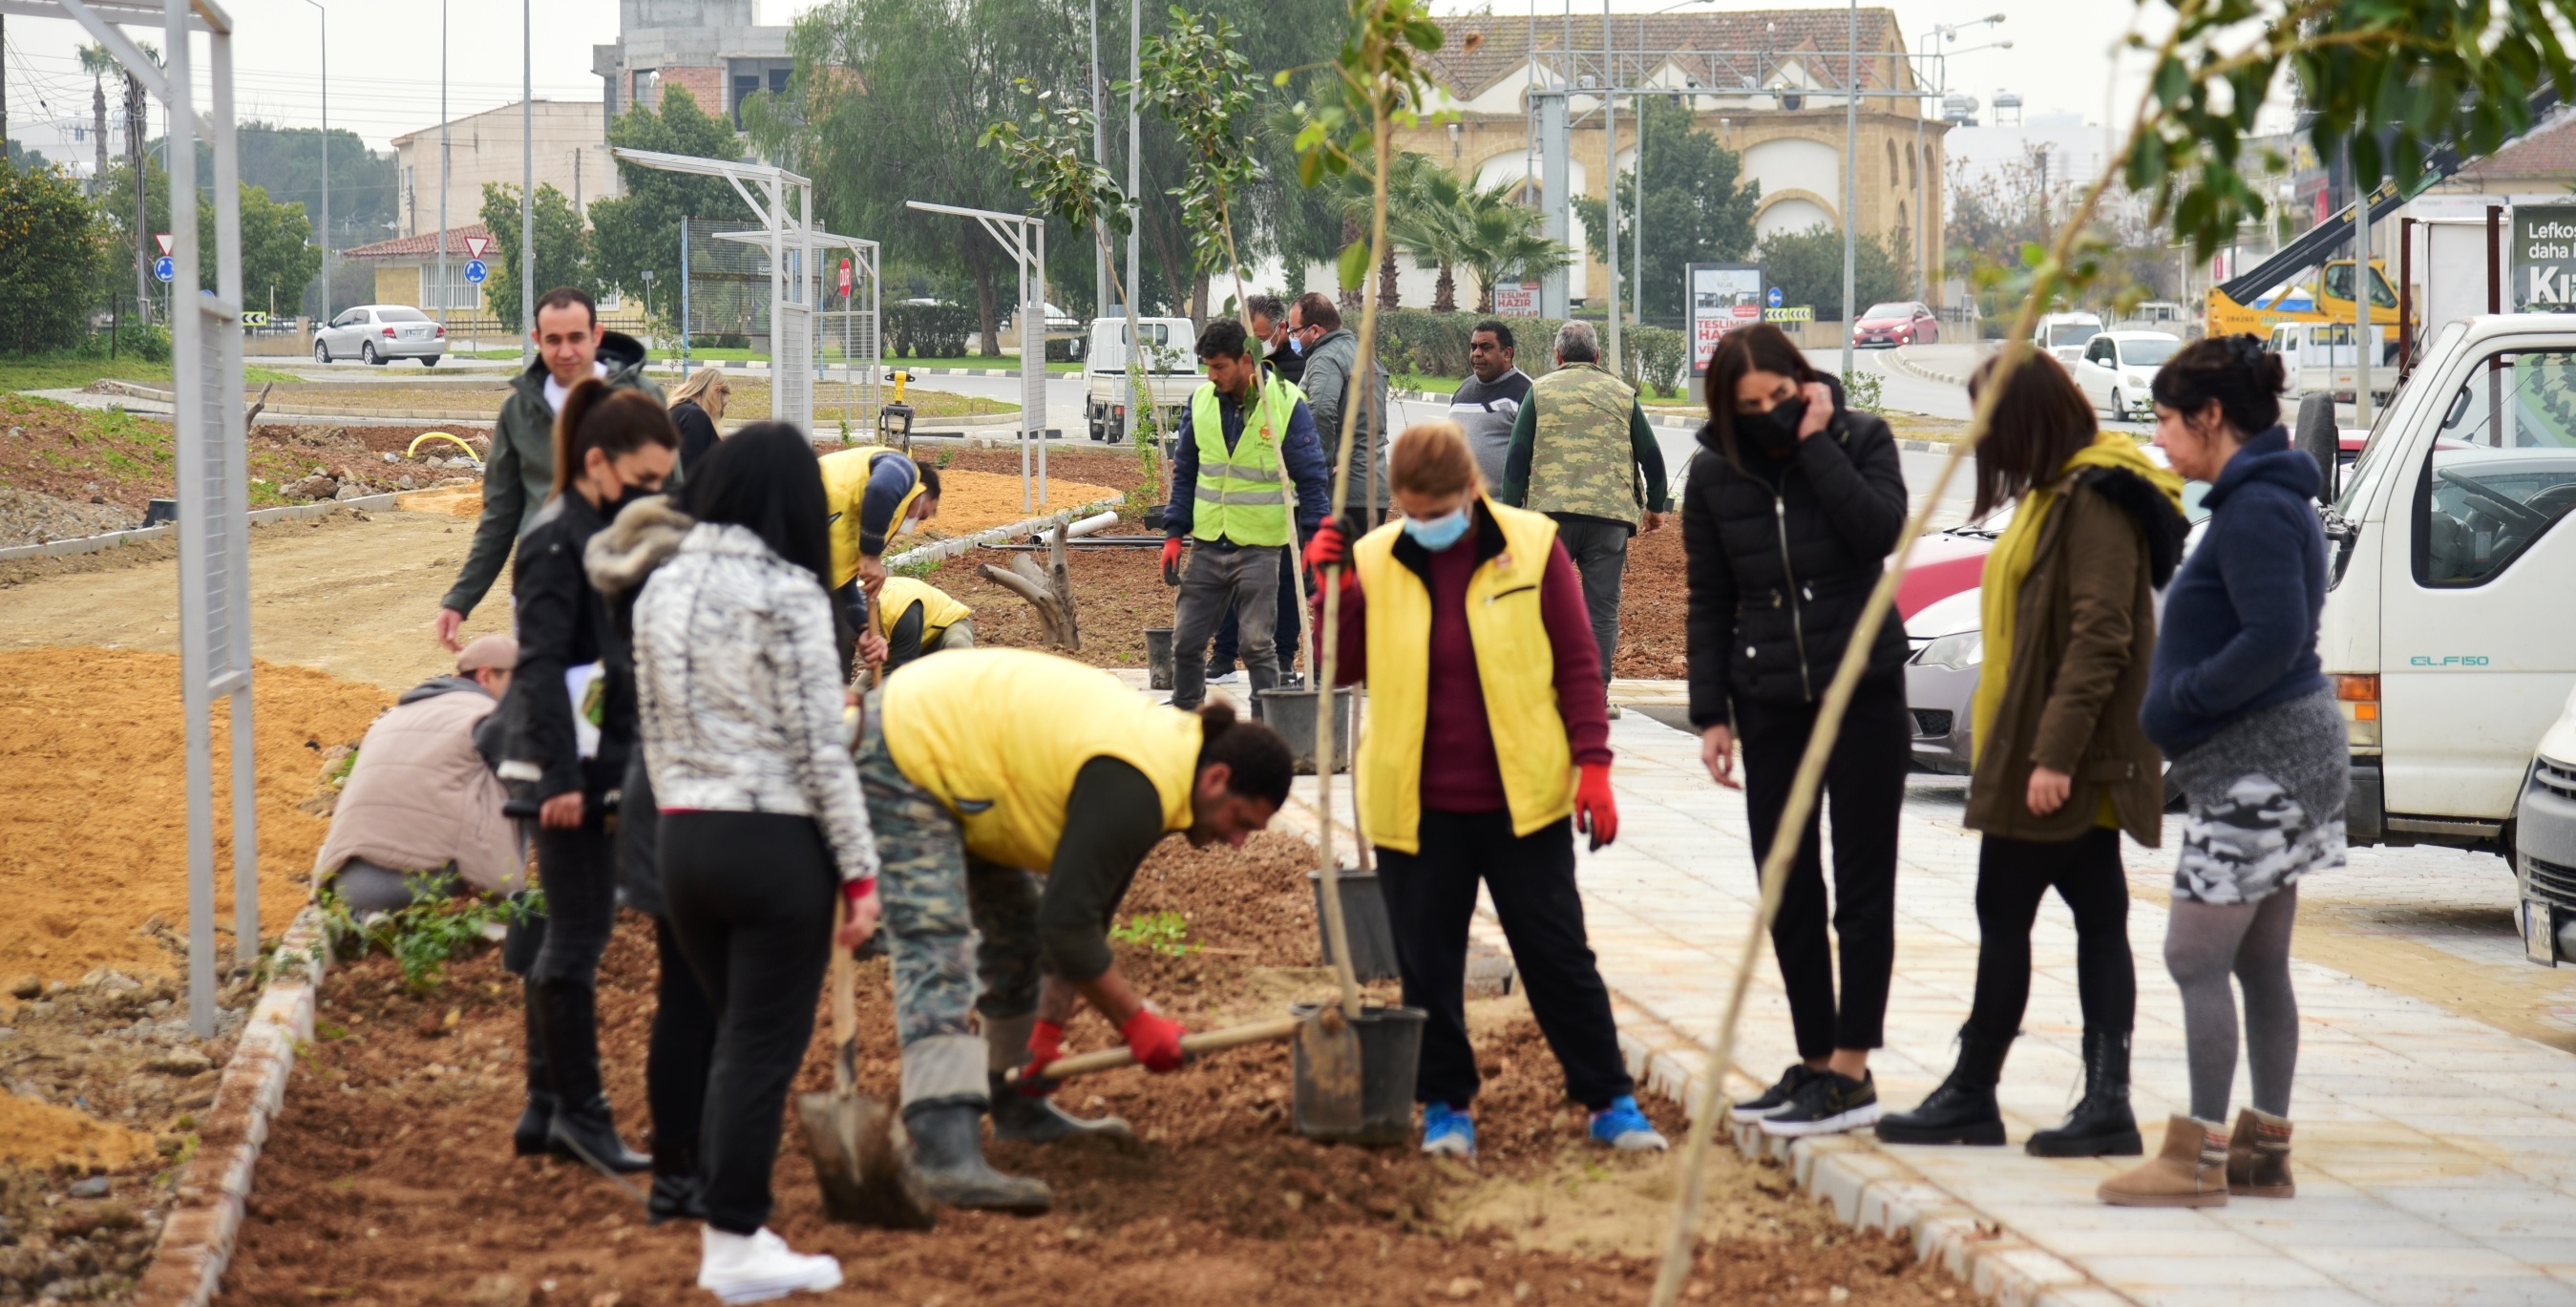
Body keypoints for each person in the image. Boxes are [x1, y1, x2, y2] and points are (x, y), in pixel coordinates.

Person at [1303, 421, 1665, 1160]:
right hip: (1415, 804)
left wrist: (1593, 765)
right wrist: (1330, 590)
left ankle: (1609, 1099)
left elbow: (1576, 663)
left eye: (1440, 510)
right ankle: (1445, 1107)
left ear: (1473, 488)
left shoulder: (1532, 547)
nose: (1428, 525)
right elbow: (1336, 671)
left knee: (1557, 955)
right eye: (1414, 512)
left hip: (1520, 799)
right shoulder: (1375, 556)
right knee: (1427, 964)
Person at [1875, 353, 2186, 1156]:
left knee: (2019, 913)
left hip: (2062, 760)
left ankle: (1982, 1094)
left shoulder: (2095, 500)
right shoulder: (2057, 493)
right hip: (2041, 751)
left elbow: (2101, 635)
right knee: (2088, 915)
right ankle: (2073, 1100)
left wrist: (2052, 756)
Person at [859, 647, 1295, 1212]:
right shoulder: (1140, 783)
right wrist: (1137, 1023)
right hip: (908, 747)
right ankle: (942, 1148)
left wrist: (1047, 1034)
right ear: (1217, 779)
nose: (1237, 841)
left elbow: (1080, 921)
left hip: (972, 768)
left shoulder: (1164, 772)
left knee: (1017, 927)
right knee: (937, 941)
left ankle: (1014, 1101)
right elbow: (1068, 929)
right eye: (1241, 822)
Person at [630, 423, 876, 1297]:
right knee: (760, 1048)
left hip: (683, 838)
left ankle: (733, 1227)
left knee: (734, 1034)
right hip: (772, 843)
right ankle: (734, 1240)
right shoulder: (790, 592)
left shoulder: (660, 586)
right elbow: (817, 746)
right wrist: (859, 870)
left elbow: (653, 725)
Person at [2101, 336, 2340, 1209]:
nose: (2159, 438)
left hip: (2260, 760)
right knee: (2259, 960)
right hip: (2281, 754)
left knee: (2192, 952)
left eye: (2166, 420)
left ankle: (2195, 1159)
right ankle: (2262, 1148)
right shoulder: (2266, 498)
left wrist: (2184, 699)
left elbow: (2275, 635)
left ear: (2210, 417)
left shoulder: (2257, 511)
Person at [1684, 322, 1910, 1138]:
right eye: (1752, 407)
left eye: (1780, 397)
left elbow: (1879, 532)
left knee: (1861, 888)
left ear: (1802, 382)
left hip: (1863, 693)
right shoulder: (1714, 475)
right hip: (1769, 697)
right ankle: (1814, 1061)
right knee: (1787, 885)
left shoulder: (1860, 437)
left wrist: (1817, 445)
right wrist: (1711, 712)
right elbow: (1710, 600)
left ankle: (1852, 1069)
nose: (1770, 414)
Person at [506, 380, 678, 1177]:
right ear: (599, 462)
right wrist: (564, 779)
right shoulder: (554, 539)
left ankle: (545, 1109)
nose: (654, 498)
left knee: (573, 928)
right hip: (558, 766)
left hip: (588, 758)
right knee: (577, 937)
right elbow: (540, 664)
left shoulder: (601, 531)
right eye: (644, 483)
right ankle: (582, 1114)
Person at [435, 286, 661, 651]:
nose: (566, 351)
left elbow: (671, 496)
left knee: (619, 704)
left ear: (597, 335)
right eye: (553, 340)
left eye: (576, 338)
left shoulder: (642, 399)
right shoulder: (518, 412)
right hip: (544, 592)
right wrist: (460, 599)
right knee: (545, 702)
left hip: (625, 592)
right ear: (537, 339)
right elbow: (500, 516)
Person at [1161, 318, 1329, 712]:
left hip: (1260, 547)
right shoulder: (1200, 402)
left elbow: (1311, 478)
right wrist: (1173, 533)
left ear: (1245, 361)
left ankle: (1266, 722)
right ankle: (1185, 713)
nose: (1211, 375)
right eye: (1207, 366)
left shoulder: (1285, 404)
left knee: (1256, 643)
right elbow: (1185, 472)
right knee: (1186, 639)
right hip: (1208, 544)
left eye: (1219, 366)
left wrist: (1316, 537)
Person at [1500, 321, 1670, 706]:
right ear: (1597, 357)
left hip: (1549, 521)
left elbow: (1516, 459)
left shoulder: (1539, 391)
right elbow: (1652, 457)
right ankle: (1593, 696)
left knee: (1545, 604)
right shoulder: (1623, 394)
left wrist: (1511, 513)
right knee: (1602, 610)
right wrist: (1655, 508)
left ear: (1557, 357)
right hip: (1608, 520)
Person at [313, 634, 523, 914]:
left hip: (346, 882)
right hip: (421, 884)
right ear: (486, 675)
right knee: (520, 782)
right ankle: (512, 903)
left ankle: (365, 915)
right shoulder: (487, 718)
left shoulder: (393, 718)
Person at [1208, 295, 1311, 684]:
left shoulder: (1297, 372)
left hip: (1285, 499)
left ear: (1282, 331)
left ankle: (1283, 657)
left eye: (1261, 337)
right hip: (1237, 499)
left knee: (1284, 580)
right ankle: (1223, 656)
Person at [818, 445, 942, 669]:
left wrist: (864, 628)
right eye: (922, 516)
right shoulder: (904, 468)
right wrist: (872, 554)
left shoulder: (851, 528)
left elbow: (841, 584)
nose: (914, 523)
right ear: (921, 490)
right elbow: (881, 490)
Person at [1289, 291, 1390, 516]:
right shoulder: (1365, 357)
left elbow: (1320, 412)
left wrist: (1316, 471)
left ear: (1314, 330)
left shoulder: (1325, 358)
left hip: (1338, 497)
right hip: (1374, 492)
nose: (1291, 338)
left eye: (1294, 331)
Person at [1450, 319, 1533, 493]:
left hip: (1504, 511)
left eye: (1485, 347)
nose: (1477, 354)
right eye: (1473, 347)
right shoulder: (1462, 390)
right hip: (1461, 509)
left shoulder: (1527, 392)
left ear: (1507, 354)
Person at [874, 575, 976, 675]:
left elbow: (904, 671)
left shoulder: (901, 611)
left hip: (945, 627)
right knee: (860, 689)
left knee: (958, 648)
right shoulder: (859, 596)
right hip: (905, 645)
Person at [666, 366, 730, 471]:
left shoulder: (676, 411)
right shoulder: (696, 417)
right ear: (716, 390)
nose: (721, 412)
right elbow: (689, 470)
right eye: (723, 405)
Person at [1247, 292, 1301, 387]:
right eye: (1248, 339)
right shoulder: (1244, 360)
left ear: (1281, 328)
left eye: (1260, 339)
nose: (1253, 347)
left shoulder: (1303, 356)